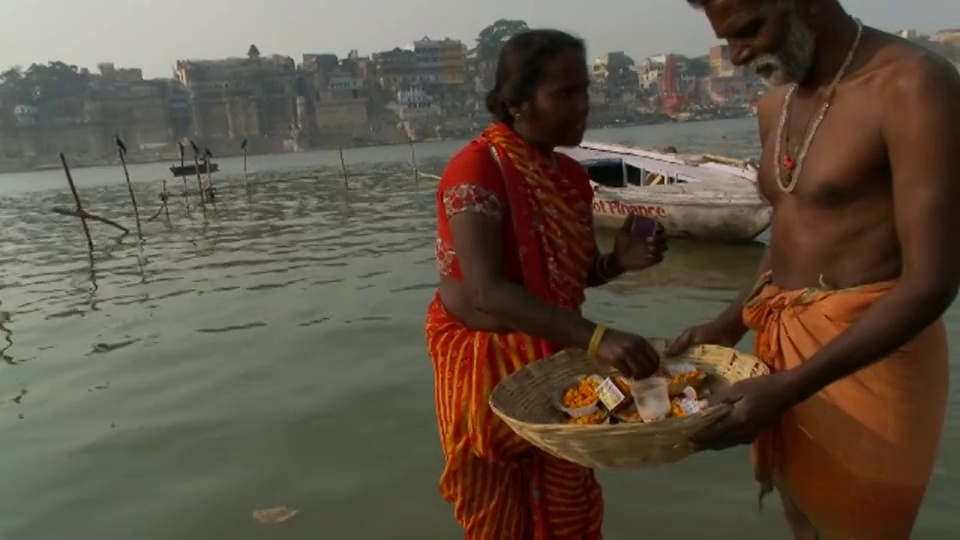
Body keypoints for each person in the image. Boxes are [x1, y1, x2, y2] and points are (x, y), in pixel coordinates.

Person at [671, 1, 960, 538]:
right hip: (785, 359)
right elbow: (789, 241)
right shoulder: (773, 106)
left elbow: (933, 280)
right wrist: (728, 326)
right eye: (727, 40)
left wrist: (792, 386)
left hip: (873, 361)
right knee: (803, 519)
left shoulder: (913, 85)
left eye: (750, 31)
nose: (737, 56)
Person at [425, 29, 668, 539]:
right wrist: (601, 340)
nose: (583, 108)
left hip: (555, 367)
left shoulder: (570, 178)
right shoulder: (476, 169)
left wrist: (615, 263)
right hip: (486, 372)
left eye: (585, 92)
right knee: (499, 523)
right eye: (565, 95)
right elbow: (487, 292)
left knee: (569, 515)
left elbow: (560, 281)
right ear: (517, 102)